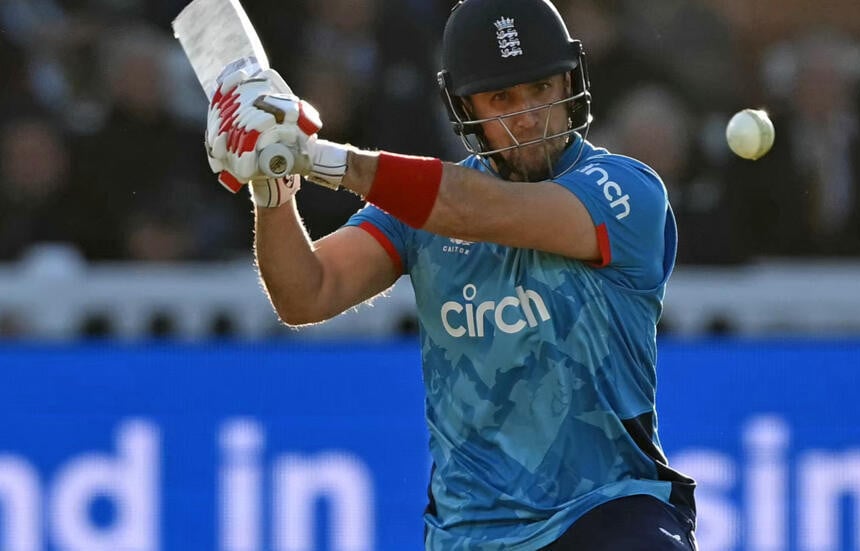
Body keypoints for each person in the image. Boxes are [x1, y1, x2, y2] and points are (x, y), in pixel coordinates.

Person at [203, 0, 696, 548]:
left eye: (540, 89)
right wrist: (272, 184)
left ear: (569, 83)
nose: (528, 116)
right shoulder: (419, 210)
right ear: (465, 108)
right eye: (501, 98)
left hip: (606, 508)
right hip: (470, 532)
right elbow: (306, 293)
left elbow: (485, 211)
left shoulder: (625, 191)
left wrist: (318, 157)